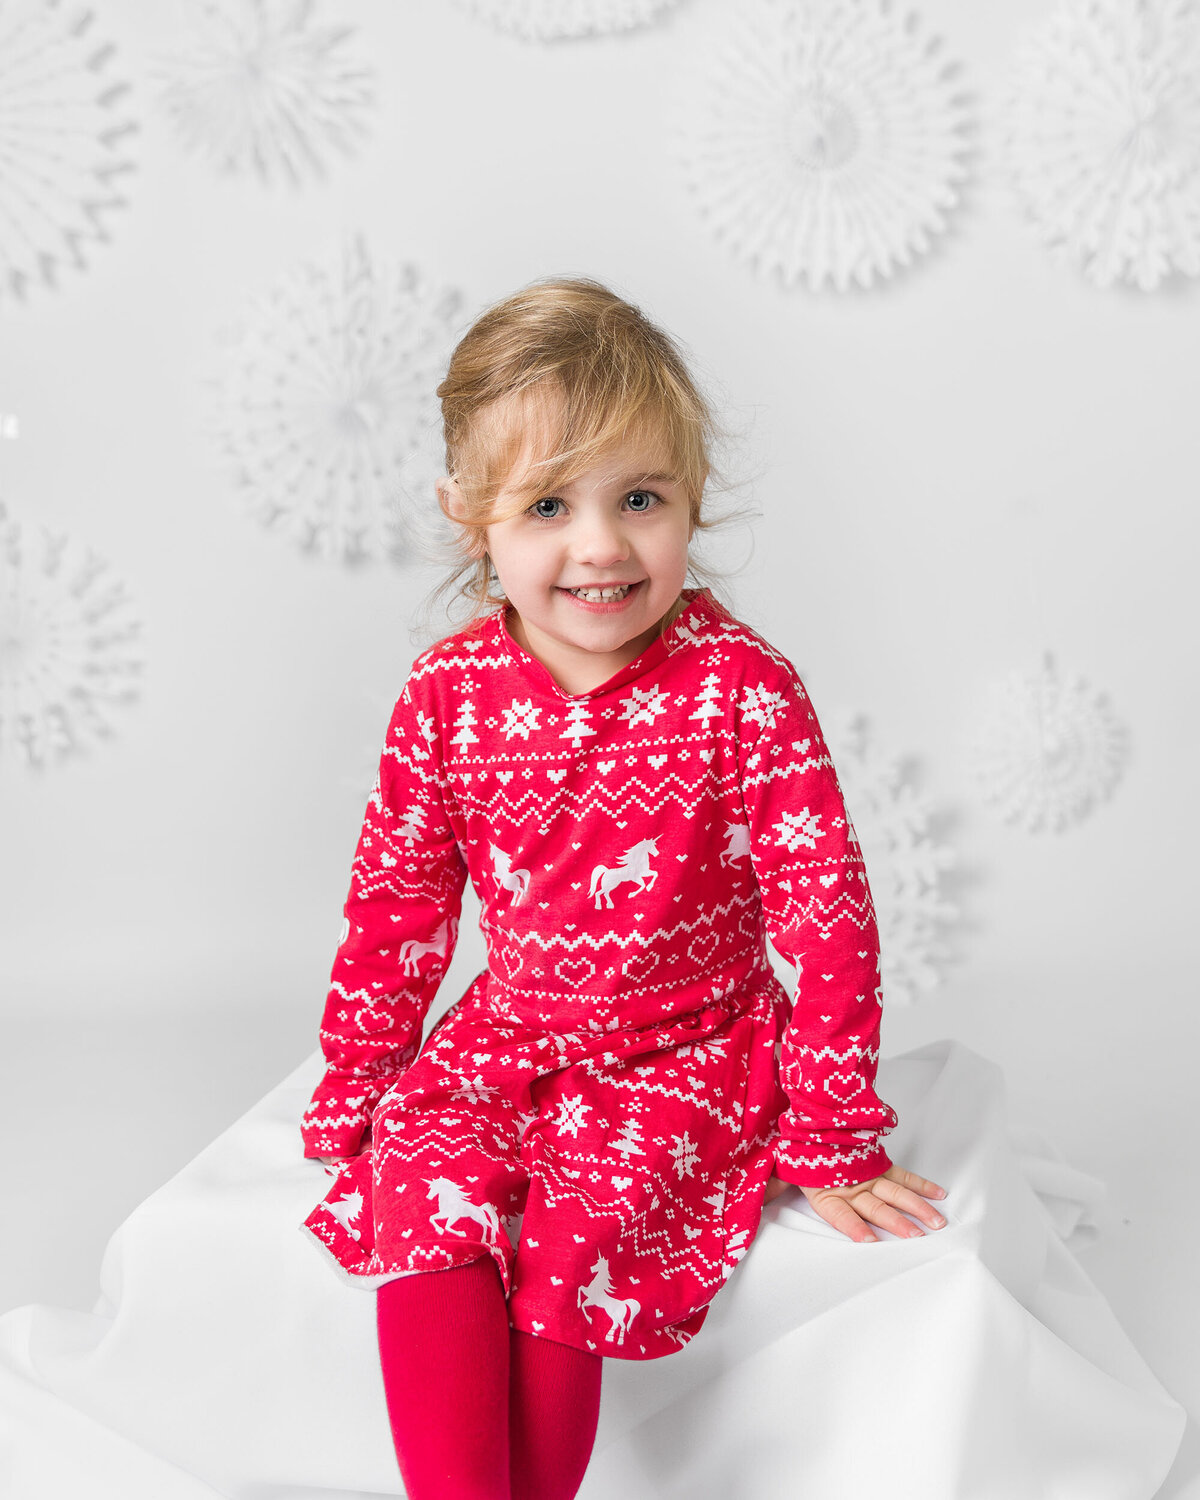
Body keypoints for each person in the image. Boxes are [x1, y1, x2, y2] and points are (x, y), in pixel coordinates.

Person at [297, 276, 948, 1500]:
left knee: (577, 1236)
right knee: (424, 1194)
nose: (600, 545)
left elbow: (825, 912)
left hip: (686, 1048)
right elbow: (398, 908)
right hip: (510, 1035)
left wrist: (833, 1124)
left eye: (639, 499)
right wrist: (361, 1088)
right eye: (549, 505)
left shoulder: (741, 689)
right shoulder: (447, 696)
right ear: (468, 515)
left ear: (692, 504)